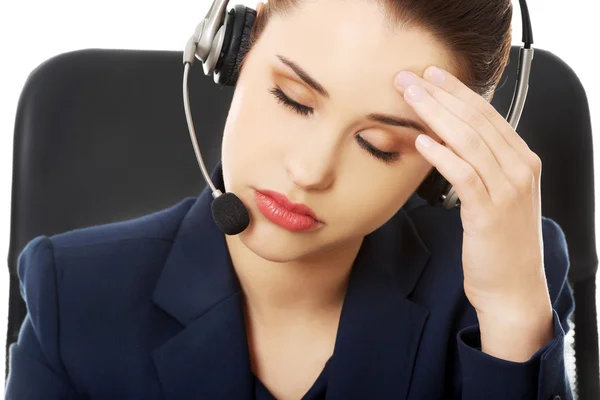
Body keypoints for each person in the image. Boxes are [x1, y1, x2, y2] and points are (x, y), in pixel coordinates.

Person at [5, 0, 575, 399]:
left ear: (444, 163)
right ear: (230, 54)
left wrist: (512, 318)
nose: (309, 171)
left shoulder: (505, 285)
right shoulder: (75, 295)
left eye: (378, 146)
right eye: (293, 99)